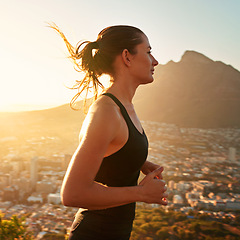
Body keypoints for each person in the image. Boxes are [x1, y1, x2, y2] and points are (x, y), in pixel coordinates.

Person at [50, 23, 168, 240]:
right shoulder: (107, 111)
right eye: (149, 52)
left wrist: (137, 162)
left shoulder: (123, 107)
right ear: (127, 56)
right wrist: (141, 193)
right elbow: (72, 193)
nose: (155, 61)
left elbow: (112, 149)